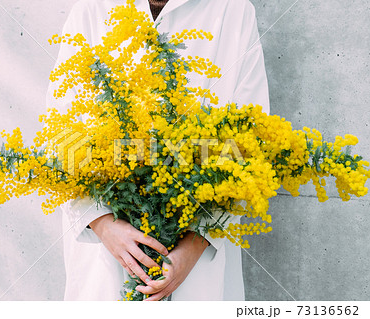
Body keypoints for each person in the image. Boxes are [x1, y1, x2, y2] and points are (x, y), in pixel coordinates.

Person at [46, 0, 270, 301]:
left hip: (198, 261)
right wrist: (102, 224)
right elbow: (62, 137)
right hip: (104, 259)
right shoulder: (91, 8)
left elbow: (248, 144)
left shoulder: (233, 10)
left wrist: (194, 245)